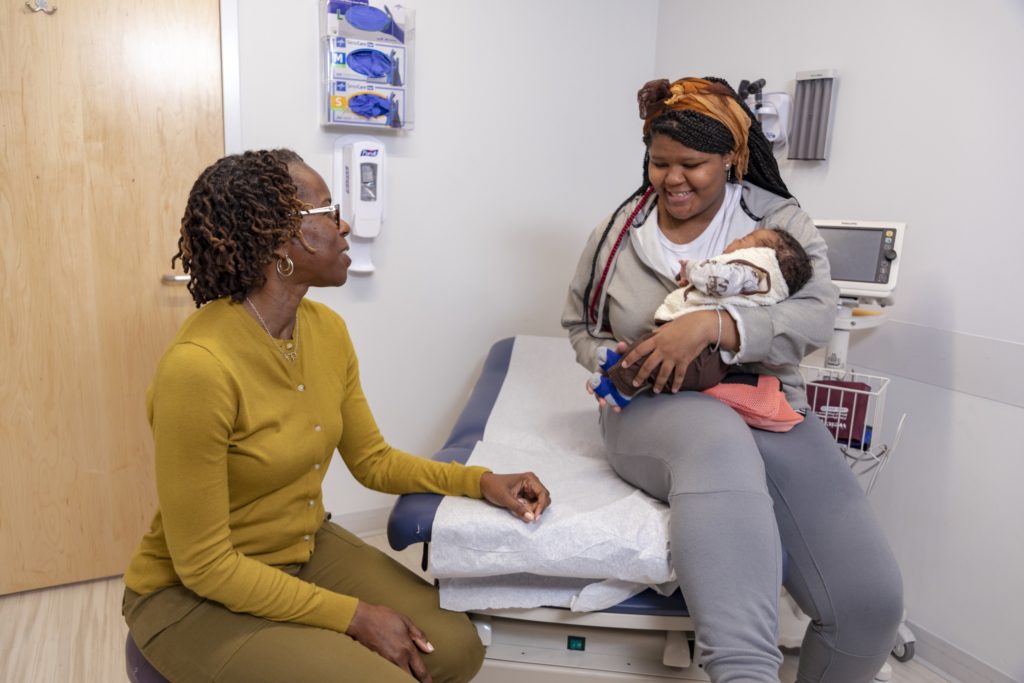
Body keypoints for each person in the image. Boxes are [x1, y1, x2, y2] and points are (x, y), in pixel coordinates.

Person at [123, 149, 550, 683]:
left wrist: (480, 481)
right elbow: (205, 565)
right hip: (193, 597)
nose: (343, 224)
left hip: (301, 548)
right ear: (281, 239)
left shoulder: (325, 329)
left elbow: (372, 460)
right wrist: (354, 617)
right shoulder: (200, 369)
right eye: (327, 210)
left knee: (456, 648)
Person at [561, 77, 903, 683]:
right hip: (654, 408)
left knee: (868, 607)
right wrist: (615, 360)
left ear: (731, 158)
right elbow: (580, 327)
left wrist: (715, 325)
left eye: (691, 164)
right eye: (658, 162)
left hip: (766, 402)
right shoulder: (617, 234)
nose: (671, 179)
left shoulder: (779, 222)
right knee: (714, 436)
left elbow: (817, 313)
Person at [590, 226, 812, 408]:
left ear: (763, 254)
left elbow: (720, 280)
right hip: (701, 350)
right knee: (652, 345)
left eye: (746, 238)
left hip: (703, 357)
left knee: (658, 360)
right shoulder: (752, 281)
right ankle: (619, 364)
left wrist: (694, 270)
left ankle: (621, 391)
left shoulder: (751, 273)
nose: (737, 239)